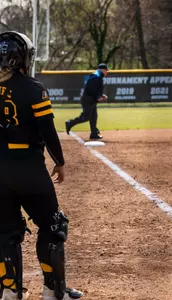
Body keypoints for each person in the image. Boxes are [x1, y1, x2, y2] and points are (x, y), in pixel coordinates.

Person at [0, 31, 83, 300]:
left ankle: (9, 293)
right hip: (29, 169)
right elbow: (47, 130)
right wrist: (60, 162)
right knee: (52, 226)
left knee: (5, 232)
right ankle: (52, 291)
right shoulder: (34, 88)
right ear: (18, 59)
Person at [65, 63, 109, 140]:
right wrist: (98, 97)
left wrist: (101, 95)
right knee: (86, 117)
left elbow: (95, 89)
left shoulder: (97, 76)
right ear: (102, 69)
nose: (107, 72)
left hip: (91, 99)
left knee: (94, 117)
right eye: (106, 70)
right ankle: (70, 123)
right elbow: (92, 89)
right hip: (88, 100)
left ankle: (94, 133)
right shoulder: (96, 76)